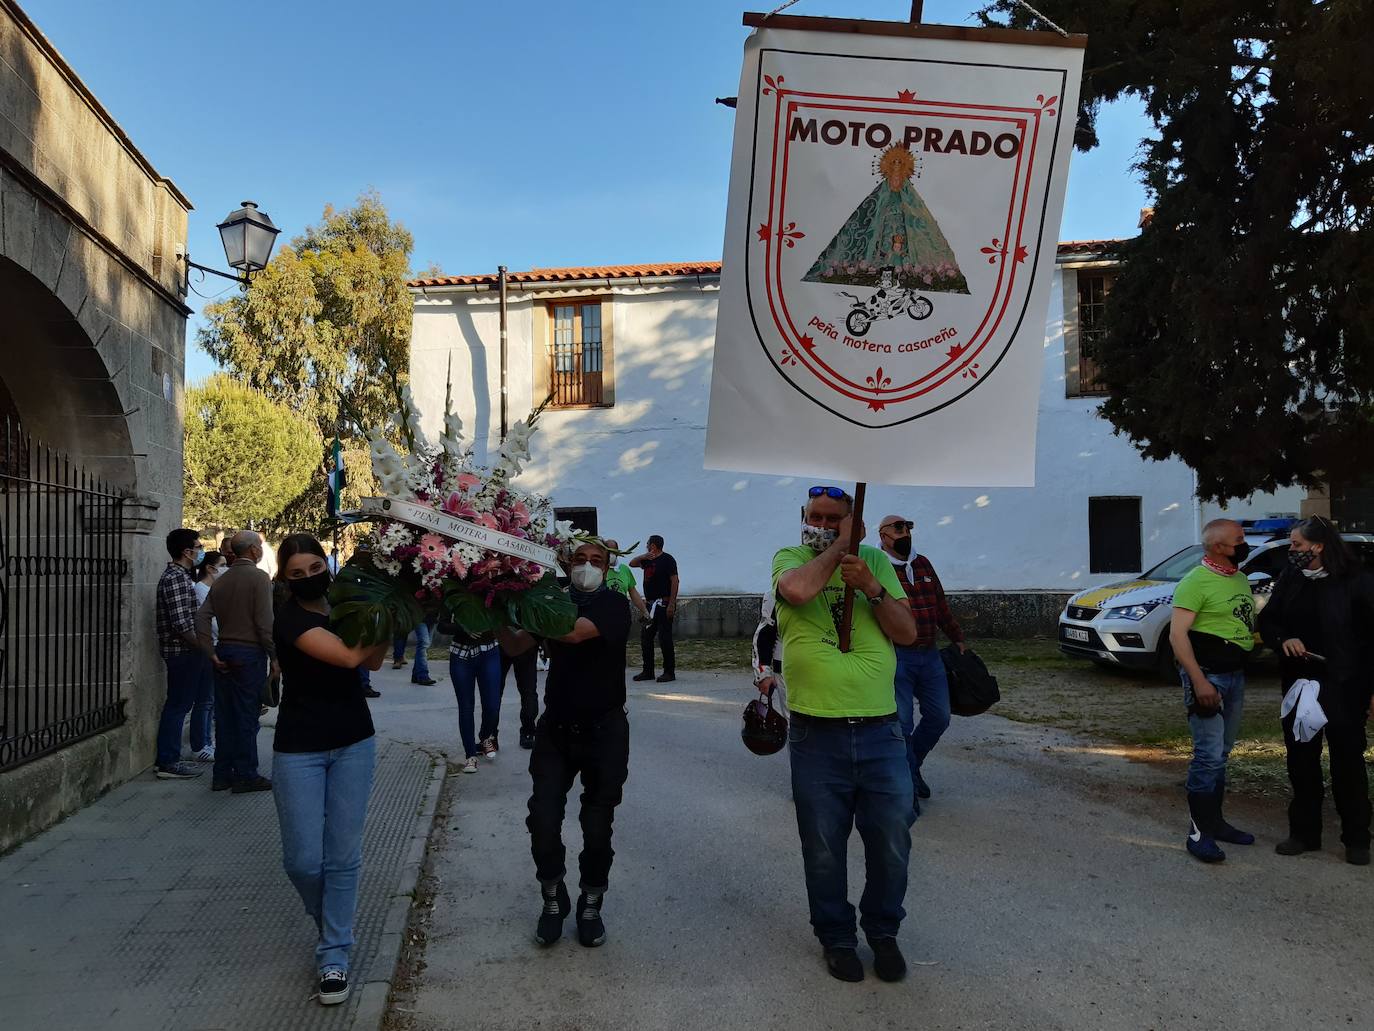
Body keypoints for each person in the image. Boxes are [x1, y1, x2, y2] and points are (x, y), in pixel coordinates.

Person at [773, 486, 916, 983]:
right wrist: (840, 549)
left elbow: (907, 632)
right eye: (816, 517)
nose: (822, 523)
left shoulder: (877, 563)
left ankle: (883, 931)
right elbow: (796, 592)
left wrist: (873, 588)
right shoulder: (790, 557)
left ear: (852, 519)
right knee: (824, 846)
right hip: (818, 734)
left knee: (892, 838)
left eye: (835, 519)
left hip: (881, 730)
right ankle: (836, 937)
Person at [272, 533, 389, 1007]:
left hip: (354, 742)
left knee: (342, 857)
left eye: (314, 568)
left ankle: (334, 954)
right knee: (302, 861)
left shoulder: (344, 609)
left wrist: (385, 609)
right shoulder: (289, 619)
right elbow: (347, 658)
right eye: (296, 574)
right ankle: (334, 926)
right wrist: (390, 606)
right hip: (299, 749)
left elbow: (375, 663)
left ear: (327, 563)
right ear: (284, 578)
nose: (307, 579)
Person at [504, 540, 631, 949]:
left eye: (597, 561)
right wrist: (485, 598)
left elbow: (574, 634)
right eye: (580, 560)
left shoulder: (613, 605)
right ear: (565, 563)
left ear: (609, 567)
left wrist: (529, 608)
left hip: (605, 732)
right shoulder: (549, 602)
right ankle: (552, 895)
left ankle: (591, 902)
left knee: (597, 828)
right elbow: (513, 645)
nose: (588, 567)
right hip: (556, 731)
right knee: (542, 819)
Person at [1258, 517, 1374, 866]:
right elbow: (1269, 621)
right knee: (1301, 760)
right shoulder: (1292, 578)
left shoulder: (1357, 581)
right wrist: (1283, 639)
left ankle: (1356, 838)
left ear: (1318, 545)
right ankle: (1304, 834)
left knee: (1347, 762)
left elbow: (1370, 639)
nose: (1291, 550)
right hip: (1299, 684)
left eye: (1295, 544)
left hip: (1344, 685)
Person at [1168, 518, 1257, 864]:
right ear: (1218, 547)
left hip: (1234, 676)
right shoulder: (1194, 583)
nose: (1244, 544)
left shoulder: (1238, 578)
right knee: (1207, 755)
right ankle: (1199, 833)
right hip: (1208, 678)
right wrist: (1198, 681)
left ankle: (1216, 823)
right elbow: (1178, 637)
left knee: (1222, 751)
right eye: (1239, 540)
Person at [877, 514, 965, 817]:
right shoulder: (878, 565)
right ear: (884, 534)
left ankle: (911, 766)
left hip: (929, 655)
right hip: (897, 655)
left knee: (940, 716)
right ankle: (907, 784)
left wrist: (957, 638)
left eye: (909, 528)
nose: (906, 533)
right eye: (900, 528)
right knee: (902, 723)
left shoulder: (923, 563)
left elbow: (940, 604)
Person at [196, 529, 277, 793]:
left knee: (225, 714)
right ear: (254, 550)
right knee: (246, 715)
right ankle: (246, 774)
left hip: (225, 650)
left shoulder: (221, 580)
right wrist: (275, 656)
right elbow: (265, 623)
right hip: (249, 653)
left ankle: (222, 774)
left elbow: (201, 617)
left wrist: (211, 651)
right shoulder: (259, 578)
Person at [153, 528, 208, 780]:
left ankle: (169, 758)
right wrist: (202, 645)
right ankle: (168, 761)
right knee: (178, 705)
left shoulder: (182, 575)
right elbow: (181, 623)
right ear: (187, 551)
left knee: (181, 704)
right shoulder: (175, 578)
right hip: (182, 652)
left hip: (187, 651)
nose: (200, 550)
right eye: (198, 546)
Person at [189, 550, 229, 763]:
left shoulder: (212, 589)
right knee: (204, 700)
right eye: (222, 564)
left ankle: (206, 741)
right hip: (208, 648)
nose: (225, 569)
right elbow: (210, 621)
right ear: (210, 568)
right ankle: (199, 744)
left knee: (210, 700)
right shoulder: (200, 590)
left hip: (216, 645)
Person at [447, 623, 502, 773]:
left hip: (489, 651)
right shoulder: (454, 599)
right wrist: (464, 627)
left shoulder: (492, 599)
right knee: (465, 706)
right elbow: (442, 626)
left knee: (493, 705)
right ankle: (470, 755)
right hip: (461, 654)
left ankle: (485, 737)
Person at [629, 535, 678, 683]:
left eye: (647, 544)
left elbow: (675, 581)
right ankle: (648, 671)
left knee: (665, 638)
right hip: (649, 605)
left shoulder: (668, 560)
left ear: (653, 545)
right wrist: (644, 556)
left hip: (663, 604)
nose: (646, 546)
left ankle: (669, 672)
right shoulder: (647, 560)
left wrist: (672, 604)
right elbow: (632, 563)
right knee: (646, 638)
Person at [603, 539, 648, 618]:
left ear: (618, 553)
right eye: (609, 551)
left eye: (613, 552)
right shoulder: (599, 569)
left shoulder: (624, 570)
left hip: (621, 613)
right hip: (603, 614)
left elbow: (633, 593)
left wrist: (644, 611)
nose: (611, 555)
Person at [391, 618, 438, 686]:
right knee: (424, 643)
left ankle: (416, 675)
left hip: (432, 617)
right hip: (419, 616)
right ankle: (422, 675)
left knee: (425, 644)